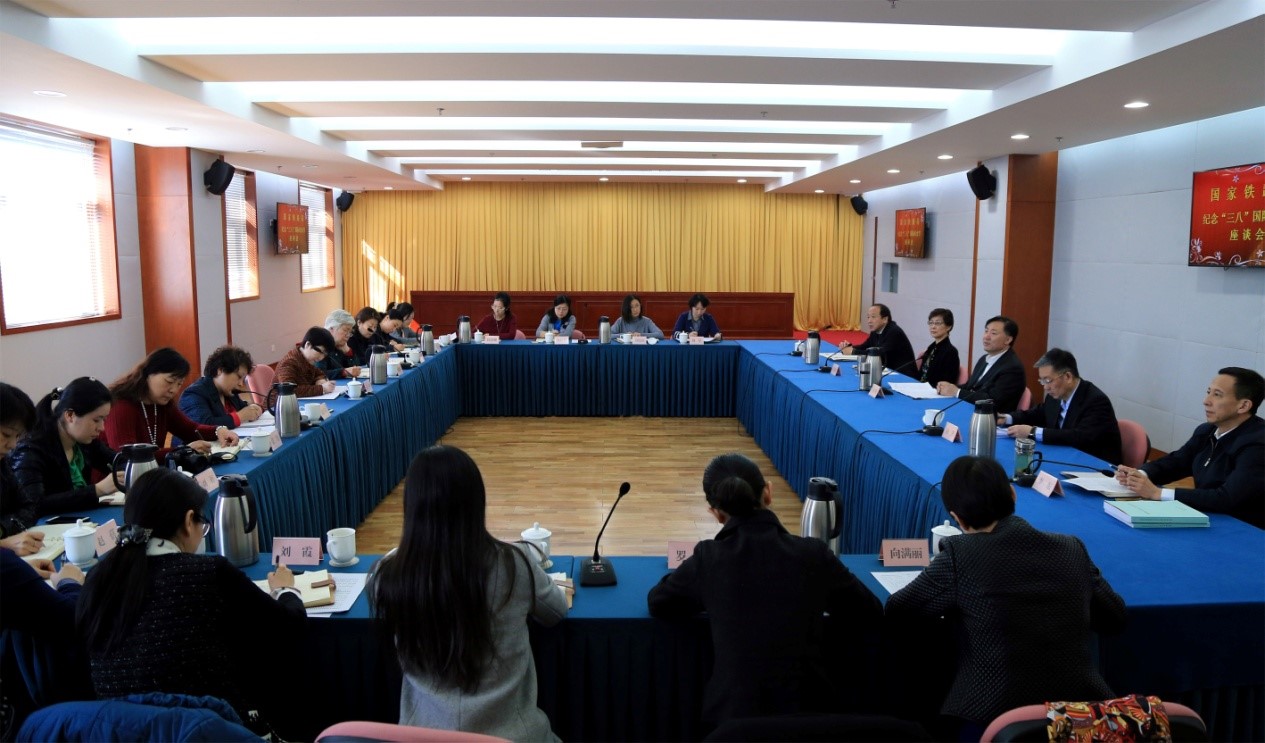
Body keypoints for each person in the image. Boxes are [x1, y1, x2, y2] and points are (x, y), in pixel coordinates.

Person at [886, 456, 1127, 733]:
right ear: (1013, 494)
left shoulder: (959, 554)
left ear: (956, 517)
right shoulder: (1071, 548)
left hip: (995, 720)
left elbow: (898, 609)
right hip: (1081, 719)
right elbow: (1115, 618)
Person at [647, 453, 882, 730]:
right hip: (810, 719)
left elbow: (659, 602)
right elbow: (869, 609)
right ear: (768, 493)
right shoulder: (812, 554)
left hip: (735, 723)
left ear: (716, 513)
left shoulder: (710, 558)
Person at [75, 467, 305, 732]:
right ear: (188, 521)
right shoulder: (207, 573)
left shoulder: (98, 578)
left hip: (118, 733)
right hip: (210, 732)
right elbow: (289, 627)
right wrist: (286, 590)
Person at [370, 446, 568, 740]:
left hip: (421, 736)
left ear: (411, 507)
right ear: (477, 502)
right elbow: (556, 611)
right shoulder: (515, 563)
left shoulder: (387, 576)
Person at [1116, 367, 1264, 528]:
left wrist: (1158, 493)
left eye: (1217, 395)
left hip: (1245, 528)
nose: (1206, 401)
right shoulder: (1207, 430)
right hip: (1207, 515)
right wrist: (1139, 475)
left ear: (1243, 406)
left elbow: (1228, 498)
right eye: (1208, 392)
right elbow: (1177, 462)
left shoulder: (1258, 445)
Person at [104, 348, 237, 463]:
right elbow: (127, 456)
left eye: (179, 384)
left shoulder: (161, 404)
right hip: (117, 481)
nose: (173, 390)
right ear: (148, 374)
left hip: (152, 473)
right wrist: (182, 451)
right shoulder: (121, 406)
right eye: (169, 381)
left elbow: (190, 429)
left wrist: (218, 430)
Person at [11, 377, 118, 518]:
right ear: (70, 415)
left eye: (104, 419)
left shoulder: (85, 441)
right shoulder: (31, 450)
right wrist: (97, 490)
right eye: (96, 420)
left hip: (80, 520)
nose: (102, 428)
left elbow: (118, 461)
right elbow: (34, 504)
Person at [999, 348, 1122, 465]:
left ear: (1068, 377)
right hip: (1066, 456)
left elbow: (1079, 437)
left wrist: (1032, 432)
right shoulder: (1056, 395)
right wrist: (1007, 418)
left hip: (1095, 465)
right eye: (1042, 381)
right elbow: (1038, 413)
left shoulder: (1096, 401)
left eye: (1048, 380)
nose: (1045, 387)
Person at [936, 315, 1026, 414]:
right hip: (969, 408)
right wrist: (949, 387)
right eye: (986, 331)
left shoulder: (1012, 368)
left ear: (1008, 340)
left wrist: (956, 392)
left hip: (989, 417)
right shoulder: (984, 359)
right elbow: (970, 387)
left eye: (993, 333)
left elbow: (992, 400)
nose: (986, 337)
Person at [0, 382, 44, 555]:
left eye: (18, 436)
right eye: (6, 435)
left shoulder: (2, 464)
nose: (12, 445)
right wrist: (4, 545)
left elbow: (29, 507)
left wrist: (2, 529)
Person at [179, 346, 263, 431]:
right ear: (220, 370)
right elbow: (204, 426)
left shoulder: (228, 392)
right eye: (239, 377)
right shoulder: (194, 393)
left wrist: (255, 408)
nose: (241, 384)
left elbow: (244, 408)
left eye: (243, 379)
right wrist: (240, 416)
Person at [839, 303, 915, 375]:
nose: (869, 321)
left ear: (885, 319)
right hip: (887, 371)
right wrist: (848, 347)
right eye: (868, 317)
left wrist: (853, 351)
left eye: (873, 317)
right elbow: (865, 346)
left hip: (903, 375)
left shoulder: (894, 332)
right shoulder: (875, 331)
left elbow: (880, 355)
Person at [275, 327, 338, 397]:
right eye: (320, 352)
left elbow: (319, 373)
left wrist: (320, 380)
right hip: (278, 403)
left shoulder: (308, 359)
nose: (321, 358)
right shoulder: (288, 363)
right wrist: (322, 388)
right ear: (308, 344)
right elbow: (290, 390)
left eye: (325, 355)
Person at [917, 308, 961, 387]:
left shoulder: (951, 352)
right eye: (931, 323)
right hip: (920, 388)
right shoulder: (931, 347)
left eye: (937, 323)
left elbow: (946, 382)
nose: (933, 327)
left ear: (948, 327)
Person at [320, 308, 363, 380]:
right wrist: (343, 372)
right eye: (345, 330)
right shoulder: (320, 345)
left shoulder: (340, 345)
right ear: (331, 329)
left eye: (350, 332)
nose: (348, 335)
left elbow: (356, 368)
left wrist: (348, 352)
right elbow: (319, 374)